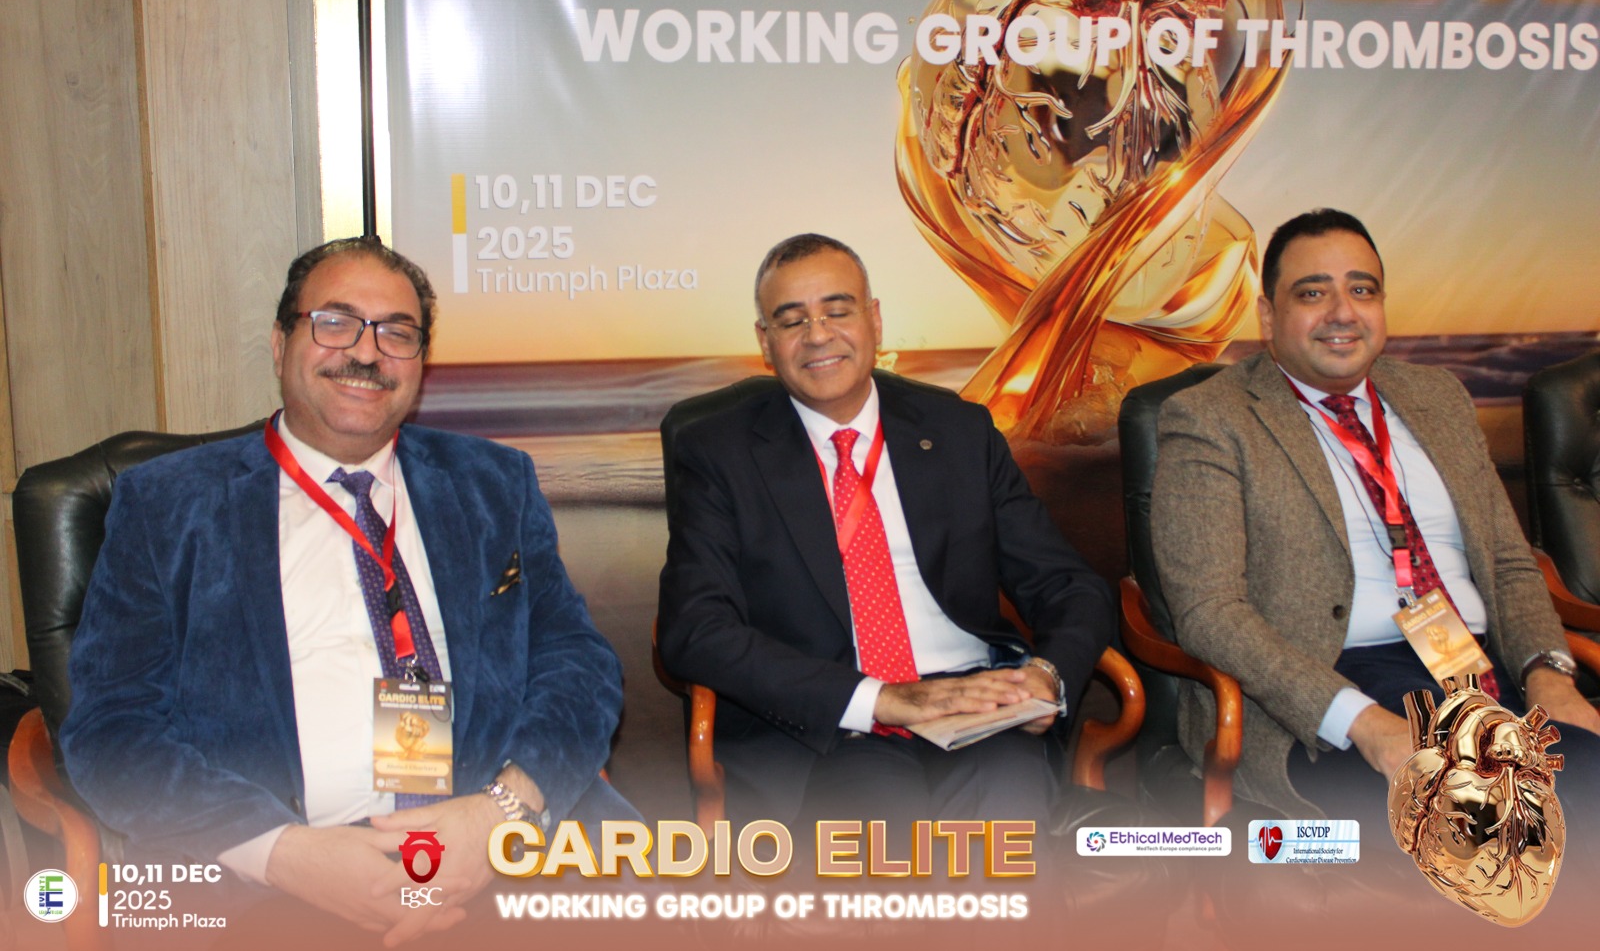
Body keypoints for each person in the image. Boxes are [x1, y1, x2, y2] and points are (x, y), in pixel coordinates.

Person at [61, 237, 632, 943]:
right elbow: (111, 731)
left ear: (421, 363)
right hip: (276, 869)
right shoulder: (170, 505)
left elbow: (579, 663)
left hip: (493, 834)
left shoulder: (492, 482)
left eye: (398, 332)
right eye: (335, 322)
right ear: (281, 344)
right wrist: (280, 853)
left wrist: (502, 812)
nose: (366, 352)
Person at [1150, 208, 1600, 822]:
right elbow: (1209, 612)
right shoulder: (1211, 418)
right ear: (1268, 316)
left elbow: (1509, 562)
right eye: (1313, 293)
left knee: (1578, 785)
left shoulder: (1437, 397)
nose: (1343, 312)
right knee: (1484, 822)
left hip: (1476, 666)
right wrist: (1363, 722)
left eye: (1362, 290)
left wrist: (1548, 674)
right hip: (1325, 688)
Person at [657, 234, 1114, 827]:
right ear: (765, 343)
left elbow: (1069, 585)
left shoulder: (958, 431)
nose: (818, 335)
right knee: (884, 853)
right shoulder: (719, 452)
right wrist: (881, 699)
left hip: (976, 709)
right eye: (792, 321)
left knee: (1006, 833)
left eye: (837, 311)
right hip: (836, 728)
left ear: (874, 320)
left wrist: (1045, 676)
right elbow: (695, 629)